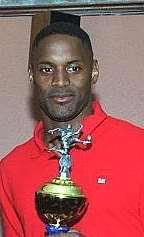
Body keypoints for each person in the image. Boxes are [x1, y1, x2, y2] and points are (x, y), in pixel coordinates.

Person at [0, 21, 144, 237]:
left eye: (73, 68)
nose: (60, 81)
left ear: (93, 71)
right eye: (47, 69)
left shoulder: (138, 149)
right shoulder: (11, 168)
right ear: (31, 75)